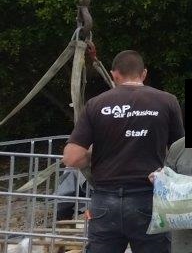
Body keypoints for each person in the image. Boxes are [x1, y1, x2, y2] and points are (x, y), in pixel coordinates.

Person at [63, 50, 184, 253]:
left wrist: (93, 155)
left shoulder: (96, 104)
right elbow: (180, 151)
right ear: (143, 73)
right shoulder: (167, 101)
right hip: (149, 199)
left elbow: (72, 158)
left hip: (104, 202)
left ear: (114, 75)